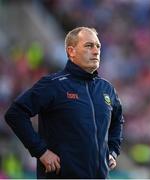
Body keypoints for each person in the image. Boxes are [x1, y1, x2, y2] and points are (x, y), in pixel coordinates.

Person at [4, 27, 124, 179]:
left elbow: (118, 120)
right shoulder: (53, 85)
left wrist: (113, 151)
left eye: (98, 46)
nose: (96, 51)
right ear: (71, 51)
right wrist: (41, 151)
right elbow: (15, 113)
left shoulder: (107, 89)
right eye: (89, 46)